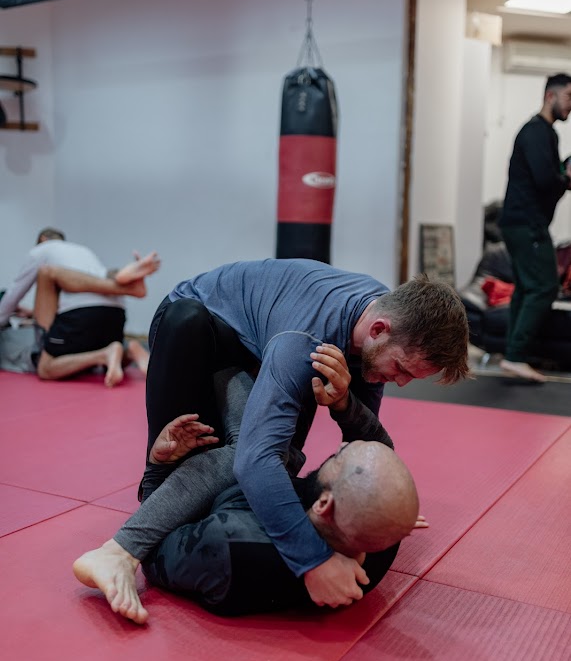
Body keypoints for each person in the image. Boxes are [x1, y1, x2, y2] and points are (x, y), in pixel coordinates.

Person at [136, 260, 468, 610]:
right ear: (378, 329)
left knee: (275, 461)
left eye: (411, 377)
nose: (400, 382)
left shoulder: (382, 326)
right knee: (223, 452)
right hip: (198, 323)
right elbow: (254, 462)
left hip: (265, 337)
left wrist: (382, 503)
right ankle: (146, 503)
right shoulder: (306, 340)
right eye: (400, 369)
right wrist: (313, 561)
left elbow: (367, 448)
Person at [73, 348, 426, 623]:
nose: (339, 448)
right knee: (272, 444)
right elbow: (379, 476)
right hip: (276, 498)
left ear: (325, 505)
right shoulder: (380, 541)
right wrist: (393, 506)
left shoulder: (227, 545)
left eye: (338, 457)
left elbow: (153, 554)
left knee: (247, 447)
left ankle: (225, 348)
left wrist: (158, 466)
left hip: (217, 508)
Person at [0, 227, 160, 386]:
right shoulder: (84, 251)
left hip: (82, 316)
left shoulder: (41, 250)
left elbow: (14, 293)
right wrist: (32, 313)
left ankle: (104, 355)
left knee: (45, 368)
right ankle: (129, 351)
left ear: (43, 240)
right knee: (93, 343)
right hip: (115, 314)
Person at [499, 73, 571, 382]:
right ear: (550, 96)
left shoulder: (541, 133)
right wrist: (566, 178)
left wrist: (562, 176)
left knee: (526, 288)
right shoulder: (538, 132)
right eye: (569, 96)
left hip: (519, 222)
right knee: (544, 286)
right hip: (527, 224)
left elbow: (547, 176)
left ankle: (512, 355)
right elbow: (545, 180)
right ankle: (516, 355)